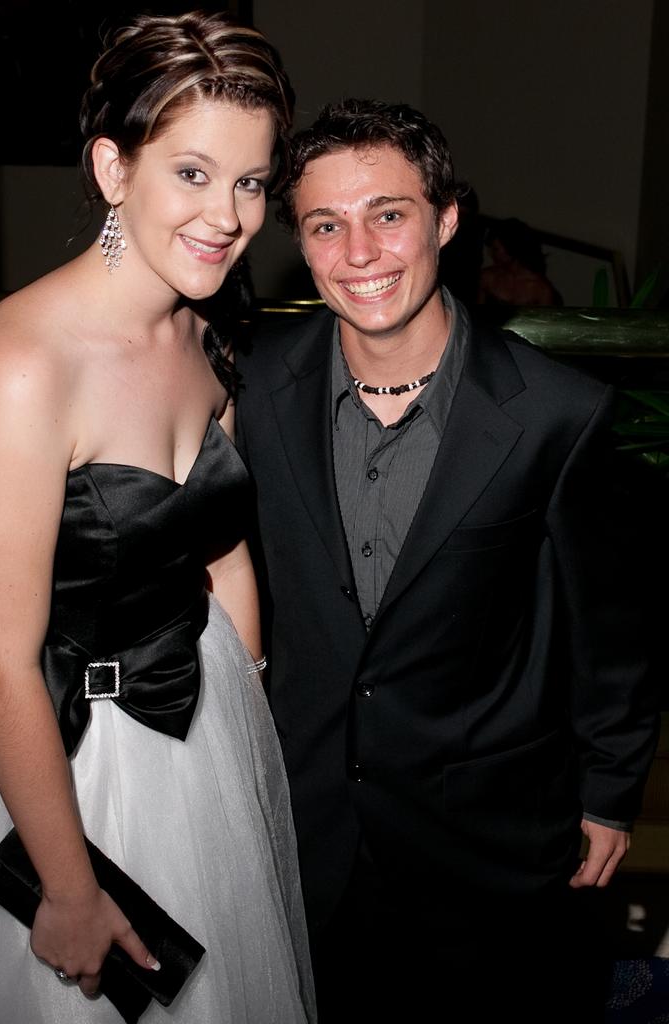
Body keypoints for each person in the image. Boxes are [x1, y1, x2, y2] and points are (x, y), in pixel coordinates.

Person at [0, 12, 316, 1024]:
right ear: (112, 168)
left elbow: (221, 552)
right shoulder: (21, 362)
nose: (228, 214)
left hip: (195, 723)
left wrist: (245, 741)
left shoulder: (205, 333)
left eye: (252, 182)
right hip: (54, 761)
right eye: (193, 173)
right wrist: (69, 887)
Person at [234, 99, 659, 1022]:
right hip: (302, 830)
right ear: (299, 244)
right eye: (324, 224)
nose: (360, 252)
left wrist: (612, 792)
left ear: (446, 218)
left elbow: (609, 629)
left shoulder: (556, 413)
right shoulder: (254, 384)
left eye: (388, 214)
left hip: (486, 838)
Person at [478, 215, 563, 306]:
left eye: (496, 249)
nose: (491, 254)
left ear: (511, 247)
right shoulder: (488, 277)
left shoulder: (540, 289)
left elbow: (545, 319)